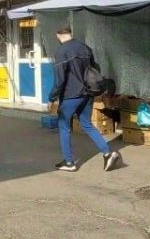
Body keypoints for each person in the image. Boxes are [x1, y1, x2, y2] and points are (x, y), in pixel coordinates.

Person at [49, 25, 120, 172]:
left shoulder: (61, 52)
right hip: (88, 93)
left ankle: (69, 162)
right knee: (87, 124)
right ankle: (108, 153)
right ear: (70, 33)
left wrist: (52, 96)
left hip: (70, 95)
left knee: (64, 127)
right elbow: (94, 69)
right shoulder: (85, 48)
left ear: (58, 35)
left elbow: (60, 80)